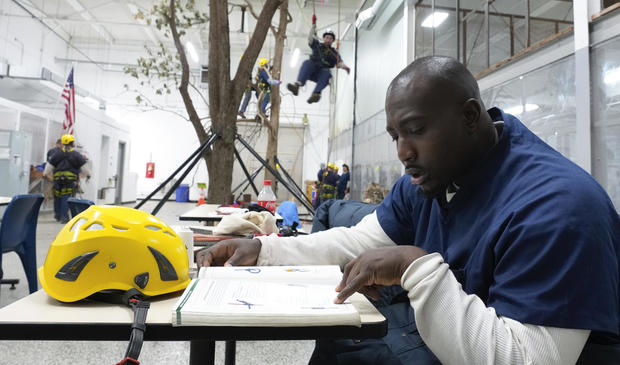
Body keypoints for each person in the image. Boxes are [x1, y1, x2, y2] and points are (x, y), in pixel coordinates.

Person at [196, 56, 620, 365]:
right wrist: (265, 251)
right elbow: (362, 240)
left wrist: (413, 266)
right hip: (462, 342)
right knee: (343, 343)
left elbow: (526, 358)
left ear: (471, 116)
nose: (403, 152)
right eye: (396, 134)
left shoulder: (556, 208)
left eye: (415, 130)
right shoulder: (433, 176)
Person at [287, 15, 350, 104]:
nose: (328, 40)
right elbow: (310, 38)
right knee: (307, 63)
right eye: (327, 38)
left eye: (330, 38)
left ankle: (316, 94)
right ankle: (297, 85)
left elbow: (339, 63)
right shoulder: (317, 45)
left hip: (320, 75)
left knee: (327, 72)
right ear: (324, 38)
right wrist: (313, 26)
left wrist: (346, 67)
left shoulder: (334, 53)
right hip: (311, 70)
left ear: (333, 41)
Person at [48, 134, 87, 223]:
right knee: (65, 197)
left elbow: (49, 165)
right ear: (72, 143)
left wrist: (45, 173)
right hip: (69, 181)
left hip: (57, 180)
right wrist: (88, 175)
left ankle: (57, 215)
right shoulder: (76, 154)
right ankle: (64, 217)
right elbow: (84, 167)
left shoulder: (57, 153)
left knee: (57, 197)